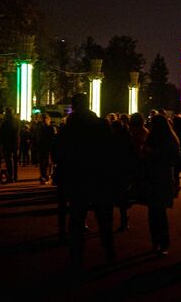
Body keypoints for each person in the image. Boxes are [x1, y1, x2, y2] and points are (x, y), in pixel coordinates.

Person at [57, 94, 115, 268]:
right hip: (100, 178)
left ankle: (76, 258)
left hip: (77, 179)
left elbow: (60, 153)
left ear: (74, 106)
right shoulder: (101, 124)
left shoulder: (68, 128)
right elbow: (111, 152)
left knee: (76, 219)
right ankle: (109, 254)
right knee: (104, 219)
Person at [143, 115, 180, 256]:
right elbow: (176, 160)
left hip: (153, 177)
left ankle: (156, 242)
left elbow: (144, 157)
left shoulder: (151, 139)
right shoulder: (171, 139)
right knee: (161, 212)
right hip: (164, 177)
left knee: (153, 212)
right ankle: (163, 244)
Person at [0, 108, 20, 182]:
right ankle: (15, 176)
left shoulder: (5, 122)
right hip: (15, 143)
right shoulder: (16, 121)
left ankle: (10, 176)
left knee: (9, 160)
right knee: (14, 160)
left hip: (7, 144)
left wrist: (1, 144)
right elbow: (17, 134)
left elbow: (1, 134)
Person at [37, 114, 56, 184]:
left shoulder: (51, 128)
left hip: (48, 148)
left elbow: (53, 139)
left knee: (48, 163)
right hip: (42, 147)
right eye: (43, 119)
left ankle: (47, 177)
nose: (44, 121)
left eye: (45, 119)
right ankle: (43, 176)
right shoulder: (41, 128)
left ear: (48, 120)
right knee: (42, 163)